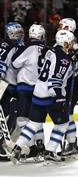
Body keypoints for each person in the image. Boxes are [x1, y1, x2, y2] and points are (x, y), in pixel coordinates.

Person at [10, 29, 75, 165]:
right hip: (50, 95)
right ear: (65, 43)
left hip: (38, 92)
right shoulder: (63, 59)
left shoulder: (50, 51)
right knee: (63, 124)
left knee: (33, 123)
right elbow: (56, 81)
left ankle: (18, 148)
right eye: (71, 42)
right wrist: (59, 98)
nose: (73, 44)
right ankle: (50, 152)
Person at [11, 24, 46, 162]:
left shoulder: (26, 47)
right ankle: (40, 147)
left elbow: (15, 64)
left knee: (22, 120)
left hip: (25, 88)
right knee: (36, 120)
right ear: (42, 36)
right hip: (40, 89)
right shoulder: (47, 50)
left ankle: (32, 148)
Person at [56, 18, 78, 160]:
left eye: (61, 25)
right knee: (61, 115)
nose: (58, 27)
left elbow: (77, 70)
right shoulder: (58, 43)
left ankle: (72, 144)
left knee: (68, 114)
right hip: (59, 85)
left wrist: (73, 58)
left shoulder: (76, 47)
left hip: (71, 84)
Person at [0, 22, 24, 161]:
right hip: (7, 87)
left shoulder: (12, 45)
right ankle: (1, 145)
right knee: (6, 116)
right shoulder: (8, 46)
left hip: (11, 87)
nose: (22, 35)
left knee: (11, 116)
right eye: (19, 33)